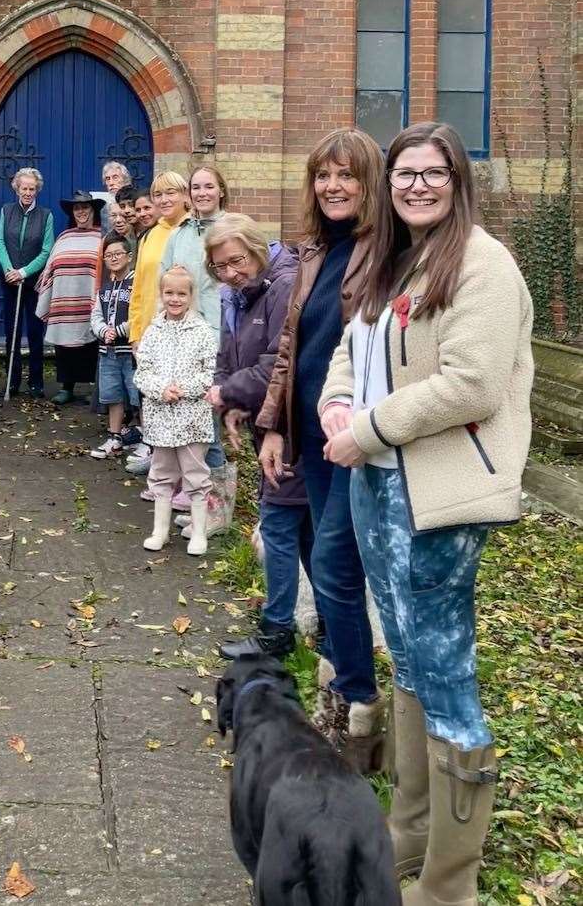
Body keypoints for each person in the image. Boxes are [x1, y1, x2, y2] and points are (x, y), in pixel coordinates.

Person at [319, 122, 533, 902]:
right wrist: (338, 401)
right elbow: (353, 344)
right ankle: (407, 837)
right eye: (404, 173)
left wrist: (368, 427)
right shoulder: (394, 259)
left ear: (457, 180)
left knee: (446, 677)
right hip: (376, 481)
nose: (416, 185)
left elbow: (472, 384)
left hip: (440, 496)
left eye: (432, 173)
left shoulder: (483, 264)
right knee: (406, 656)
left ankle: (449, 885)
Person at [254, 127, 386, 771]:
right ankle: (345, 685)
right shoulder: (312, 252)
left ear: (370, 183)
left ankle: (357, 701)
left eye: (346, 175)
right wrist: (274, 425)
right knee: (324, 558)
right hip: (311, 435)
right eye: (322, 176)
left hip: (357, 438)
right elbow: (290, 348)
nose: (332, 187)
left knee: (335, 561)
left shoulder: (385, 251)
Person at [201, 216, 311, 660]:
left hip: (295, 429)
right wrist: (232, 400)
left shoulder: (283, 286)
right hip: (268, 426)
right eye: (219, 267)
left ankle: (277, 631)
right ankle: (324, 628)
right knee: (304, 533)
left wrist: (227, 391)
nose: (229, 273)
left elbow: (279, 363)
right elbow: (229, 354)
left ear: (257, 249)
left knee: (281, 524)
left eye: (236, 261)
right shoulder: (240, 295)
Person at [162, 165, 234, 538]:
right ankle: (199, 507)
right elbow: (168, 283)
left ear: (221, 190)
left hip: (220, 338)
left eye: (209, 186)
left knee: (209, 427)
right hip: (184, 339)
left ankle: (218, 510)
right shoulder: (179, 234)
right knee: (192, 427)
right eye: (197, 187)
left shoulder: (232, 228)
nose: (203, 192)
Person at [133, 266, 219, 556]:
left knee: (195, 473)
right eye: (169, 292)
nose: (175, 299)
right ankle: (160, 530)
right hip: (160, 418)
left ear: (191, 296)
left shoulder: (203, 331)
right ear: (161, 294)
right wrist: (160, 389)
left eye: (182, 293)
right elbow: (142, 371)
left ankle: (199, 530)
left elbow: (209, 372)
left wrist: (182, 388)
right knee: (161, 472)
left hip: (192, 417)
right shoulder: (153, 331)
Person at [125, 170, 190, 477]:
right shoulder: (151, 234)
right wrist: (136, 332)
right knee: (152, 399)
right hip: (150, 330)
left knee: (179, 402)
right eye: (158, 194)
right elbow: (139, 286)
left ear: (184, 195)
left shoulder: (193, 230)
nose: (164, 200)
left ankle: (181, 472)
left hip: (181, 332)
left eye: (171, 193)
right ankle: (158, 458)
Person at [36, 191, 103, 405]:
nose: (81, 211)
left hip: (89, 300)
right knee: (64, 344)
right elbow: (50, 268)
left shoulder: (102, 236)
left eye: (85, 207)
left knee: (91, 342)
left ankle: (94, 387)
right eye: (77, 208)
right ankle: (66, 387)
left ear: (93, 211)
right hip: (64, 299)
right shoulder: (64, 237)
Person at [0, 167, 54, 397]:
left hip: (34, 283)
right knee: (13, 332)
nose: (28, 192)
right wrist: (10, 270)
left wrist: (24, 272)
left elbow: (47, 250)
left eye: (32, 188)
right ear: (16, 188)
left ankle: (36, 382)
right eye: (24, 188)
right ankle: (12, 380)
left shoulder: (45, 215)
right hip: (10, 282)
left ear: (37, 189)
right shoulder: (6, 210)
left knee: (36, 332)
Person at [89, 234, 137, 458]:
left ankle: (145, 438)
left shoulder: (136, 283)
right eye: (108, 255)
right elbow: (95, 316)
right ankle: (115, 437)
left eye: (117, 254)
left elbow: (139, 315)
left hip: (130, 351)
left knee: (137, 394)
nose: (113, 258)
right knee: (112, 395)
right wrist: (102, 331)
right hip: (107, 351)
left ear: (129, 256)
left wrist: (117, 331)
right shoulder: (105, 287)